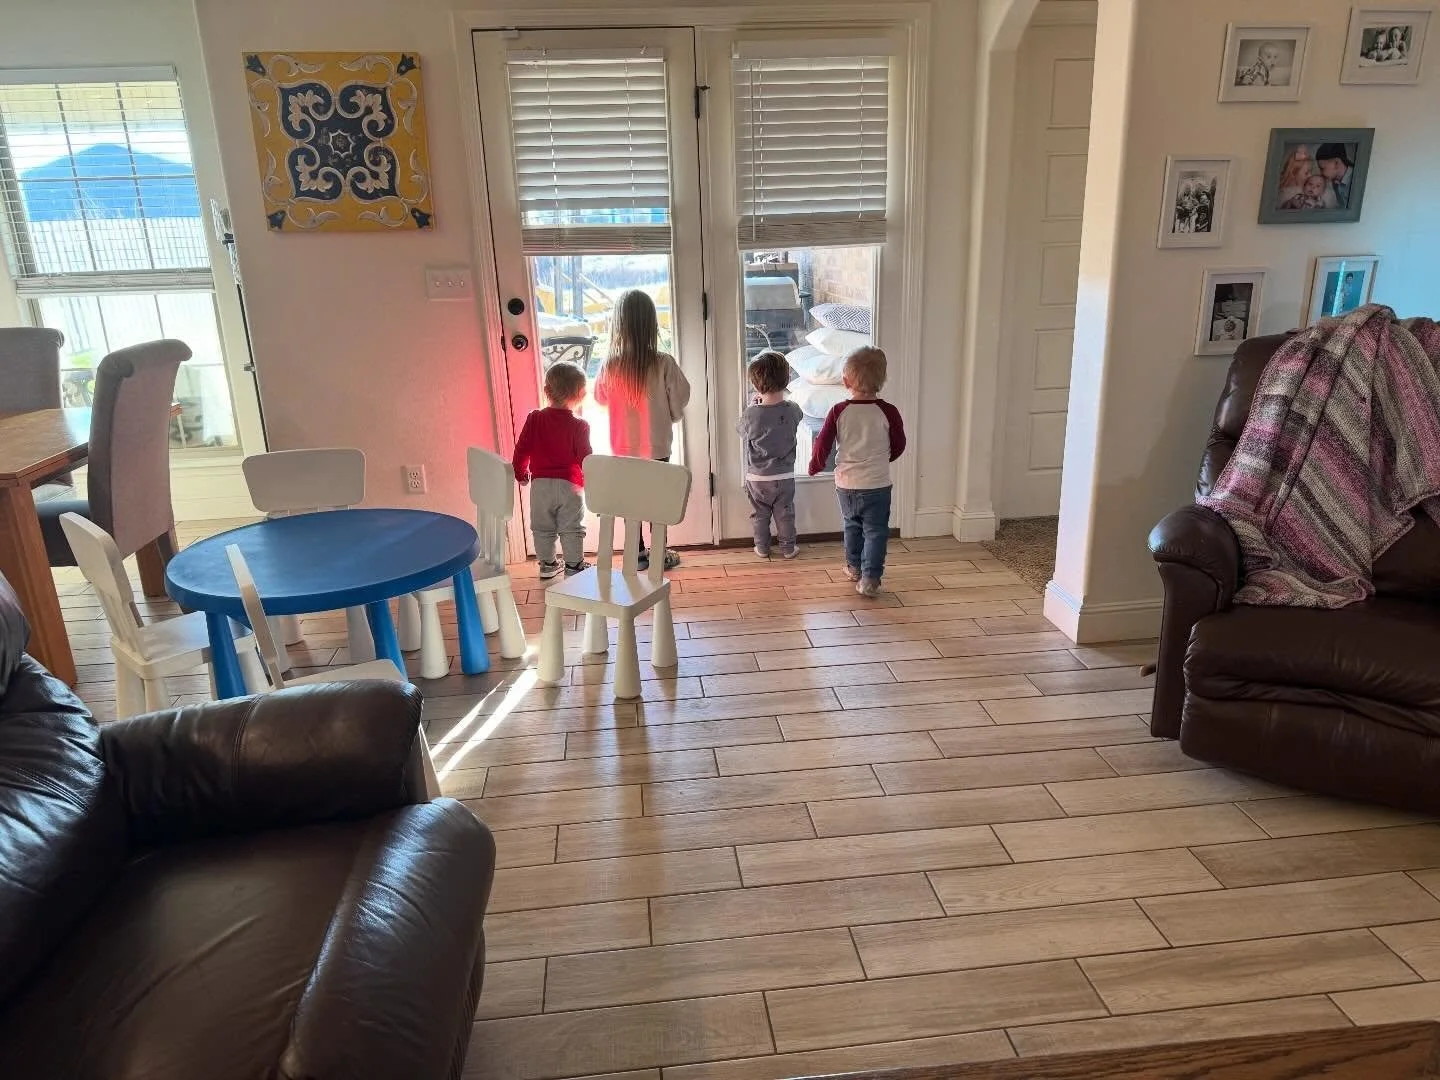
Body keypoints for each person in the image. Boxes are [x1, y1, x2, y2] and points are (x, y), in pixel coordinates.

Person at [594, 289, 691, 570]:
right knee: (656, 504)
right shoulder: (663, 362)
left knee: (630, 505)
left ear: (618, 326)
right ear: (651, 324)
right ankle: (659, 553)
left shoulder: (611, 365)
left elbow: (600, 397)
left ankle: (635, 555)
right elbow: (680, 397)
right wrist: (670, 414)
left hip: (623, 451)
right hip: (657, 448)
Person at [808, 347, 906, 598]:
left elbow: (823, 444)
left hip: (847, 484)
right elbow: (899, 444)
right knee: (876, 530)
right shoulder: (888, 411)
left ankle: (853, 568)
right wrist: (885, 459)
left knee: (851, 525)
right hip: (877, 484)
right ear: (882, 381)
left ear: (845, 381)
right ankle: (871, 578)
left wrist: (815, 465)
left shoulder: (838, 411)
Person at [512, 361, 592, 581]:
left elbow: (522, 449)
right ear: (581, 394)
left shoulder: (535, 418)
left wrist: (520, 473)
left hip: (541, 486)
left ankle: (547, 565)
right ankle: (574, 566)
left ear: (546, 391)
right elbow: (586, 458)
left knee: (542, 527)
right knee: (572, 528)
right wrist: (592, 482)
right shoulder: (580, 425)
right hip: (570, 486)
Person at [737, 349, 803, 560]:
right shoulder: (793, 409)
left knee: (760, 514)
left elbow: (740, 430)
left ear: (755, 385)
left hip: (757, 478)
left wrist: (753, 407)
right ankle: (788, 548)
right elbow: (799, 416)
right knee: (785, 514)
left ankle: (762, 548)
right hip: (784, 476)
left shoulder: (751, 414)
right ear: (787, 379)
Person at [1316, 143, 1355, 209]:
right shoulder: (1335, 182)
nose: (1320, 173)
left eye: (1322, 168)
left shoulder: (1357, 179)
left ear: (1336, 163)